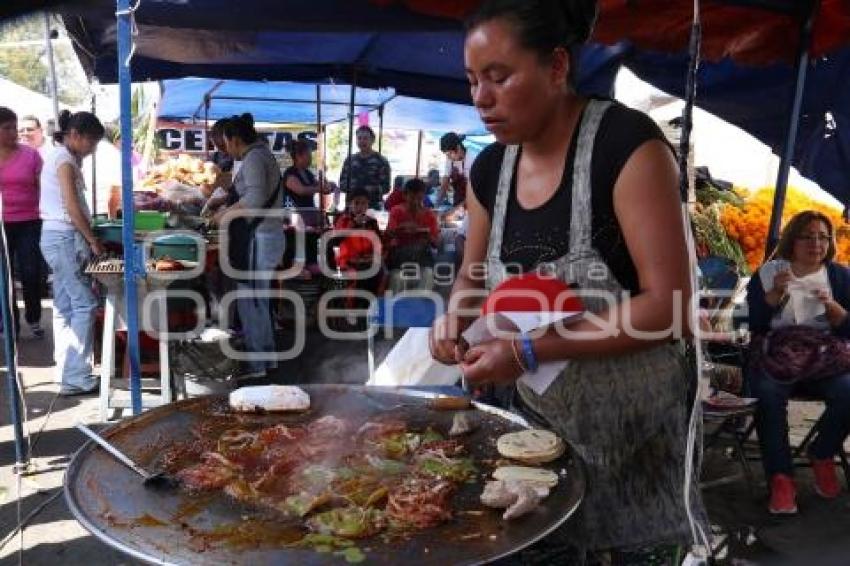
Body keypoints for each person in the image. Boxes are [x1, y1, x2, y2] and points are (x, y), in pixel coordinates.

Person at [429, 0, 700, 561]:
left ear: (556, 67)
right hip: (538, 436)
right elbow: (472, 277)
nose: (480, 98)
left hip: (637, 435)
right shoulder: (490, 170)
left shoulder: (625, 146)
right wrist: (455, 316)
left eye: (499, 77)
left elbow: (667, 308)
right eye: (473, 80)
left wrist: (528, 349)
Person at [746, 210, 850, 514]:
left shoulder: (840, 277)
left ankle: (822, 453)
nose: (816, 243)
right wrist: (775, 293)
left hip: (823, 359)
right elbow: (753, 322)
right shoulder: (769, 273)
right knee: (766, 392)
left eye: (822, 236)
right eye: (807, 236)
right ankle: (781, 478)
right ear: (792, 239)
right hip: (777, 356)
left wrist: (834, 309)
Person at [212, 113, 284, 380]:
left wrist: (225, 213)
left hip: (259, 239)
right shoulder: (261, 155)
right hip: (265, 237)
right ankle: (266, 359)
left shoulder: (254, 158)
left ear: (235, 139)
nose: (226, 148)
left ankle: (257, 366)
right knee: (257, 302)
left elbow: (254, 199)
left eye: (226, 142)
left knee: (250, 303)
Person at [39, 110, 105, 396]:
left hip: (55, 237)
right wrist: (92, 239)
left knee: (66, 307)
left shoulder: (60, 156)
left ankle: (66, 371)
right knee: (84, 305)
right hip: (64, 237)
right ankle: (77, 375)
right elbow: (71, 207)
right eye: (91, 142)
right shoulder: (64, 160)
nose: (92, 149)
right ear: (75, 135)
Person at [0, 107, 45, 338]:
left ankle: (34, 318)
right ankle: (10, 325)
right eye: (6, 128)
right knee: (3, 276)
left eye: (13, 127)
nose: (13, 132)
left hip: (29, 221)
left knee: (30, 272)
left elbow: (42, 187)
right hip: (2, 224)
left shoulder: (30, 155)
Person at [386, 178, 439, 292]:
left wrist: (427, 235)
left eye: (419, 198)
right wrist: (402, 227)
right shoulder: (396, 211)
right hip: (400, 258)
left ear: (423, 196)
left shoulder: (429, 215)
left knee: (428, 275)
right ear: (405, 196)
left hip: (422, 258)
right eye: (412, 197)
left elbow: (436, 243)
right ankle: (396, 307)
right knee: (396, 278)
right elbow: (389, 234)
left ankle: (421, 307)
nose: (415, 201)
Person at [333, 188, 384, 297]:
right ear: (350, 204)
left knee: (382, 274)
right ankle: (352, 308)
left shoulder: (371, 222)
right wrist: (354, 224)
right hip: (347, 261)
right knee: (356, 277)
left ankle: (374, 307)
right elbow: (336, 240)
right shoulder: (343, 220)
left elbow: (379, 242)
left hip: (368, 260)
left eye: (364, 203)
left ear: (368, 205)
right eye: (356, 203)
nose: (360, 207)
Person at [338, 125, 391, 210]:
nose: (362, 141)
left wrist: (370, 189)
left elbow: (386, 187)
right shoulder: (350, 160)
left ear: (372, 140)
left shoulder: (381, 161)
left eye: (365, 138)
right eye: (359, 138)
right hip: (352, 207)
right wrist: (354, 188)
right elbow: (342, 184)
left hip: (372, 208)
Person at [282, 139, 330, 227]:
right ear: (298, 156)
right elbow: (301, 190)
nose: (311, 158)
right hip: (294, 217)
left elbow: (319, 185)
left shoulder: (308, 173)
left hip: (309, 216)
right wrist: (320, 189)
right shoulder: (290, 173)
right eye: (308, 155)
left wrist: (327, 184)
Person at [438, 131, 480, 209]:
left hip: (472, 204)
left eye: (450, 153)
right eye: (446, 154)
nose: (448, 157)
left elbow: (475, 192)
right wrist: (437, 205)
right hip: (457, 202)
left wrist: (457, 210)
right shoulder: (450, 160)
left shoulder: (473, 159)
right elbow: (445, 182)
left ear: (458, 148)